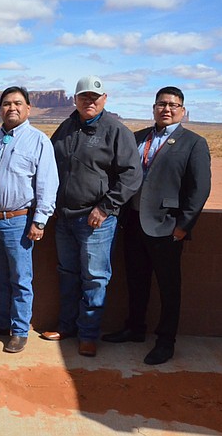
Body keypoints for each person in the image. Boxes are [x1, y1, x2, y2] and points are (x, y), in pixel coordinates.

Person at [102, 86, 211, 365]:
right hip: (134, 223)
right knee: (136, 281)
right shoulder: (137, 138)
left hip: (167, 227)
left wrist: (183, 226)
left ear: (182, 111)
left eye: (174, 105)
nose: (167, 109)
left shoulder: (194, 143)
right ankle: (135, 328)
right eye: (162, 104)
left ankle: (165, 340)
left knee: (168, 286)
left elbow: (199, 190)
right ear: (153, 108)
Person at [41, 75, 142, 357]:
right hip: (65, 218)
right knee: (68, 274)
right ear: (75, 99)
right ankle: (67, 327)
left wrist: (106, 207)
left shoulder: (116, 130)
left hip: (96, 220)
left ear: (105, 99)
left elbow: (132, 175)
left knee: (95, 278)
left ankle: (88, 334)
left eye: (95, 97)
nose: (90, 101)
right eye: (84, 97)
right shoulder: (66, 127)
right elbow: (51, 167)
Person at [0, 86, 58, 353]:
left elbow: (48, 183)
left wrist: (40, 221)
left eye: (17, 103)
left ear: (28, 108)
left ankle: (20, 330)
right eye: (6, 104)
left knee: (21, 278)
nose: (11, 108)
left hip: (20, 221)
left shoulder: (38, 141)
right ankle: (1, 324)